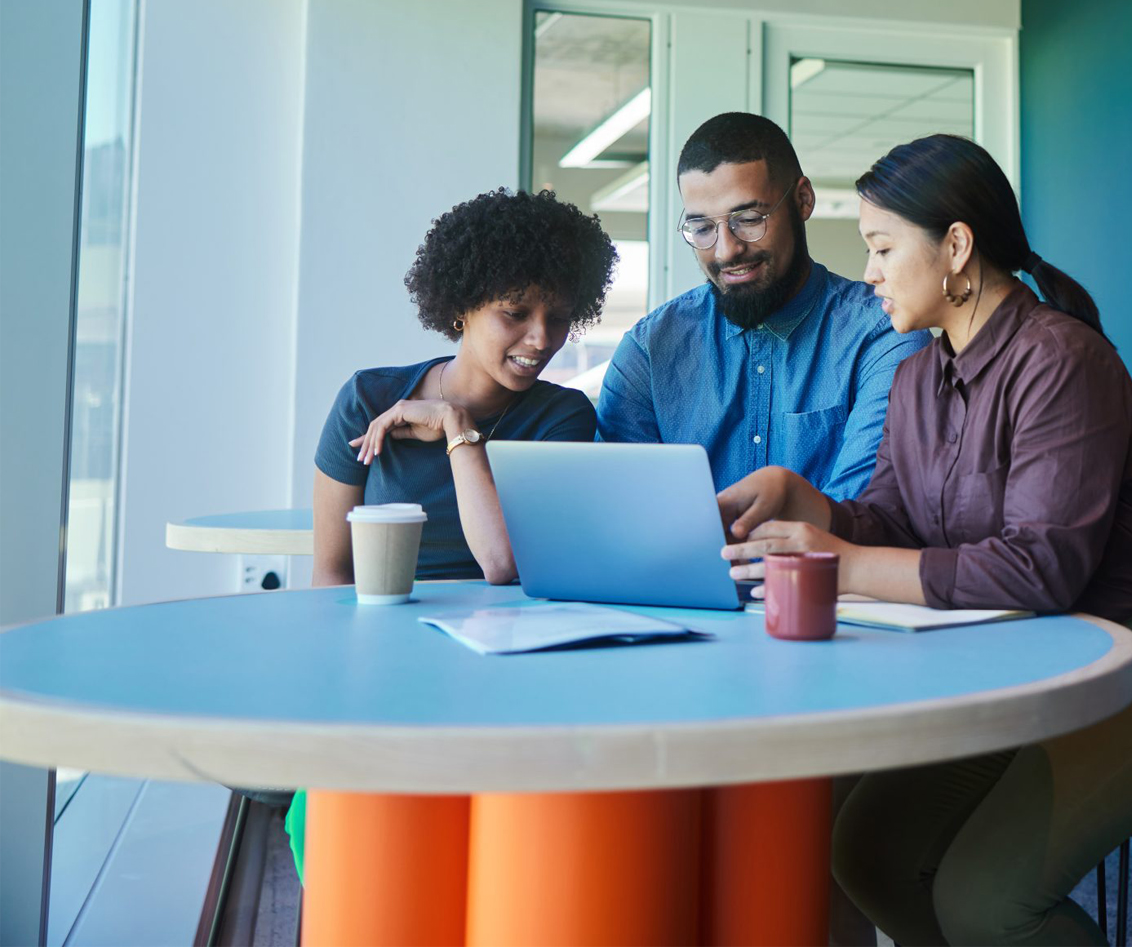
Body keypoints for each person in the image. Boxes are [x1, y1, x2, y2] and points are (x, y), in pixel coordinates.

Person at [716, 135, 1132, 946]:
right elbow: (892, 521)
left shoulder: (1062, 361)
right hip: (1021, 671)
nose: (869, 273)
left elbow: (1041, 571)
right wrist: (812, 506)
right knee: (867, 855)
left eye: (883, 248)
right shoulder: (919, 376)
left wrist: (848, 562)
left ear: (955, 246)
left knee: (985, 902)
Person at [289, 187, 617, 877]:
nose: (540, 340)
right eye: (514, 313)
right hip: (384, 666)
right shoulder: (369, 398)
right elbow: (328, 577)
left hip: (508, 668)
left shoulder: (563, 419)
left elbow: (501, 562)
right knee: (338, 842)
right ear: (460, 304)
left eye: (558, 318)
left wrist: (455, 431)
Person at [596, 112, 927, 499]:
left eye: (749, 219)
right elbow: (624, 514)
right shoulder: (649, 351)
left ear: (803, 200)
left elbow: (863, 511)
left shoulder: (884, 332)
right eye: (702, 228)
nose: (726, 250)